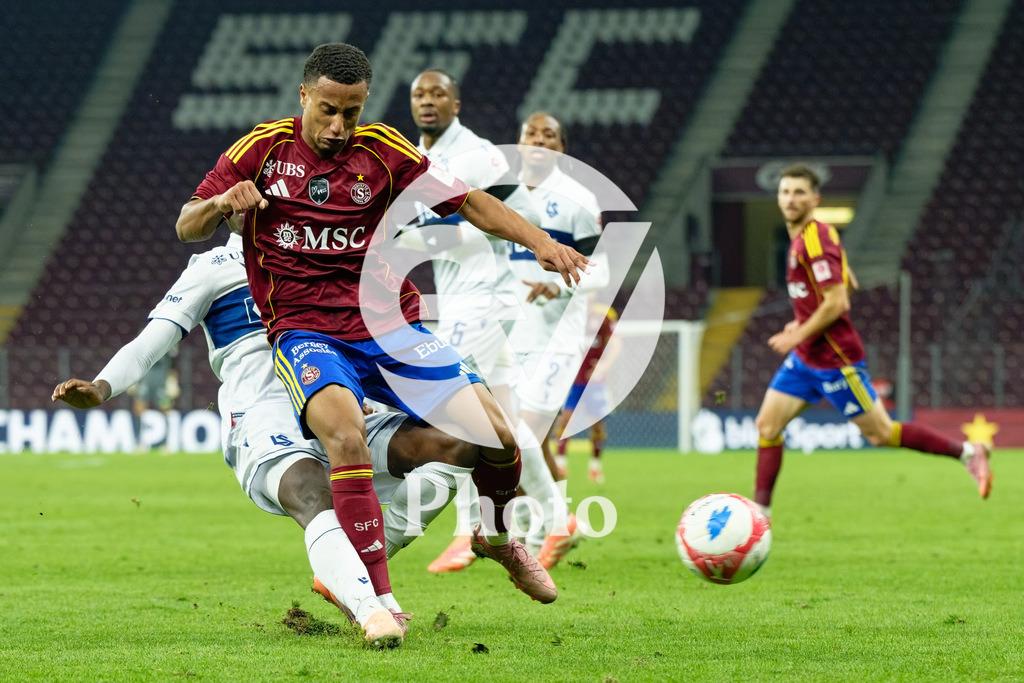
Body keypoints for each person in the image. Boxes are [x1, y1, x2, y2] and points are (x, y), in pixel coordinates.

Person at [174, 44, 586, 604]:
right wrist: (222, 202)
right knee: (348, 441)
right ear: (304, 96)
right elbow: (187, 224)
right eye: (328, 110)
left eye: (352, 112)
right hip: (307, 333)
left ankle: (494, 538)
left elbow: (468, 202)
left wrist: (541, 242)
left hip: (391, 329)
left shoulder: (384, 150)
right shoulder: (262, 149)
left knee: (497, 435)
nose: (339, 127)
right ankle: (380, 600)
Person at [51, 231, 552, 649]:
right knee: (313, 491)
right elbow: (149, 344)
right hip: (264, 414)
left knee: (459, 441)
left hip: (342, 406)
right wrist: (101, 387)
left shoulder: (329, 255)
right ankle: (371, 608)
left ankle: (368, 566)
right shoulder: (215, 267)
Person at [753, 163, 993, 517]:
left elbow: (839, 301)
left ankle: (969, 453)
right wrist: (802, 324)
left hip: (836, 360)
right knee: (767, 426)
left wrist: (797, 334)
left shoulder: (817, 238)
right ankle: (760, 516)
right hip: (805, 358)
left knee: (881, 434)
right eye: (785, 192)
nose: (790, 199)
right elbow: (848, 281)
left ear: (815, 199)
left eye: (799, 192)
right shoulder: (803, 239)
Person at [406, 68, 542, 574]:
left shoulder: (478, 155)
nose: (428, 101)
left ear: (456, 104)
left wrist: (455, 235)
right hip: (465, 302)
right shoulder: (417, 158)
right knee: (499, 421)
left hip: (485, 302)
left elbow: (525, 214)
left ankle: (470, 533)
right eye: (420, 94)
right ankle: (557, 518)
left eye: (438, 94)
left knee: (458, 411)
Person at [508, 111, 608, 569]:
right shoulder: (502, 196)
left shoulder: (578, 199)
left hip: (557, 338)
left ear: (560, 148)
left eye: (548, 135)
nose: (538, 140)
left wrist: (557, 286)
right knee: (522, 441)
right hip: (509, 335)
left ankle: (551, 526)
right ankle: (542, 530)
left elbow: (600, 271)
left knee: (523, 437)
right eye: (531, 133)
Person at [553, 302, 622, 484]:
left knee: (597, 425)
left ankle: (595, 467)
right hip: (573, 381)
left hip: (595, 382)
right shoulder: (569, 316)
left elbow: (615, 344)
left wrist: (603, 366)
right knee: (565, 420)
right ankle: (560, 465)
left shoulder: (603, 316)